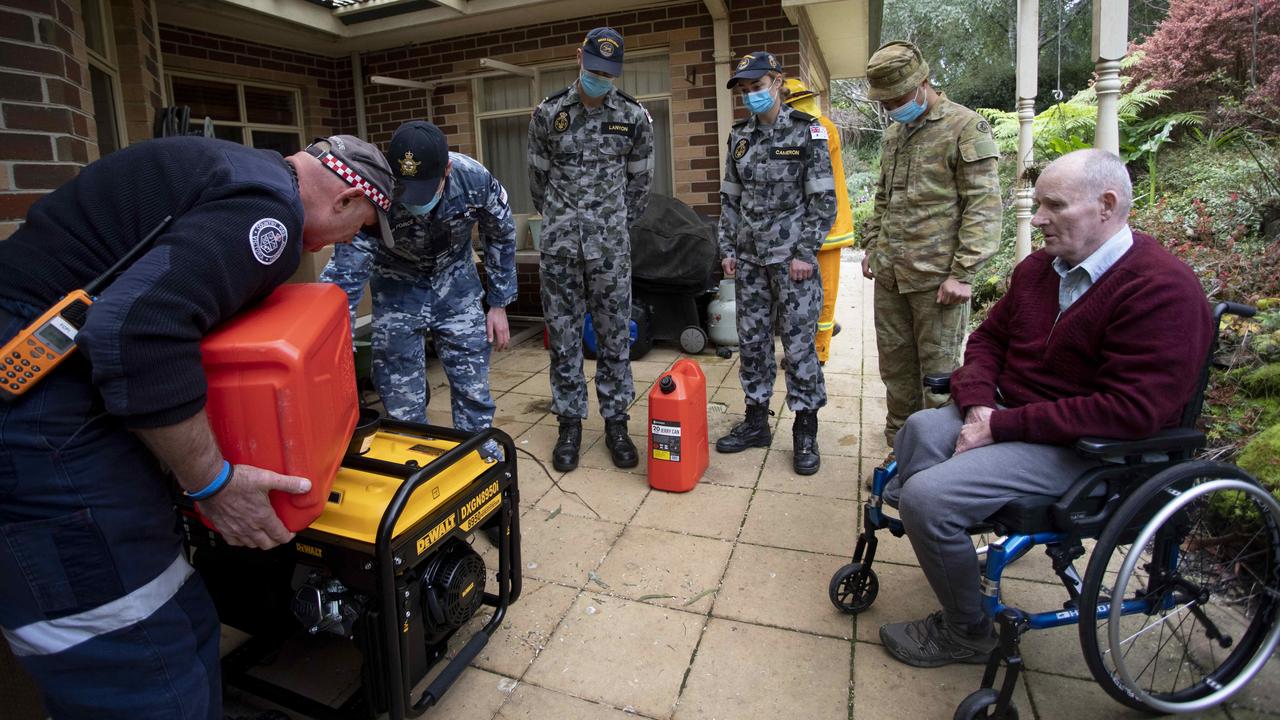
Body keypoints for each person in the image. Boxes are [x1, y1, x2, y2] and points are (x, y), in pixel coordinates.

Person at [0, 134, 396, 718]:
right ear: (342, 201)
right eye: (360, 226)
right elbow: (138, 332)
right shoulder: (272, 212)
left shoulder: (241, 170)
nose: (349, 240)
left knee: (184, 620)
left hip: (61, 395)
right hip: (35, 417)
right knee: (138, 665)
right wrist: (213, 481)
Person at [877, 149, 1213, 668]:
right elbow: (987, 341)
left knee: (925, 496)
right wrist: (978, 409)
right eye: (1038, 205)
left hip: (1090, 450)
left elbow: (1131, 409)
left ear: (1106, 205)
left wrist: (1002, 426)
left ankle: (968, 633)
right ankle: (952, 541)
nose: (1036, 220)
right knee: (920, 429)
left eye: (1053, 206)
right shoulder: (1039, 270)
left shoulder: (1160, 288)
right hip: (1014, 417)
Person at [859, 40, 1002, 465]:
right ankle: (900, 456)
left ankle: (933, 464)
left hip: (938, 282)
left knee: (937, 380)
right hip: (891, 277)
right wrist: (873, 247)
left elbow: (983, 205)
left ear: (923, 82)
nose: (891, 108)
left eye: (898, 98)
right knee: (897, 376)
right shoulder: (893, 135)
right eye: (884, 101)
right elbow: (882, 200)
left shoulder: (965, 127)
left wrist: (964, 272)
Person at [321, 120, 516, 432]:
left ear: (446, 170)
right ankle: (414, 452)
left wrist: (499, 303)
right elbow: (348, 266)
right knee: (398, 389)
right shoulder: (375, 189)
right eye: (406, 190)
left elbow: (501, 234)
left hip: (457, 286)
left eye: (425, 188)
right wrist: (335, 330)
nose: (414, 200)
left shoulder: (473, 178)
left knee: (472, 381)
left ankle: (477, 450)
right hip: (397, 288)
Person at [527, 27, 655, 472]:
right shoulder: (548, 114)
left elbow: (641, 186)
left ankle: (616, 422)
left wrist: (611, 224)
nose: (601, 77)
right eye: (595, 68)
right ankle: (569, 423)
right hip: (560, 247)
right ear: (578, 58)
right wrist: (565, 220)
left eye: (609, 72)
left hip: (610, 250)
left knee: (615, 337)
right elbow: (537, 184)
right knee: (563, 338)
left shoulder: (634, 117)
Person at [713, 51, 837, 475]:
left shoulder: (808, 132)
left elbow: (823, 200)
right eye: (745, 91)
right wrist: (727, 249)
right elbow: (730, 199)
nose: (751, 96)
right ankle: (755, 422)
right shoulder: (739, 137)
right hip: (749, 259)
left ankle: (805, 429)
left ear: (778, 82)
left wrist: (805, 253)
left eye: (757, 87)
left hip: (792, 262)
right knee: (751, 343)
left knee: (800, 345)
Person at [781, 78, 856, 365]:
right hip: (807, 230)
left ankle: (819, 350)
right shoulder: (815, 126)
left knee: (824, 293)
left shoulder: (819, 128)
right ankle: (812, 340)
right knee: (808, 293)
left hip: (826, 230)